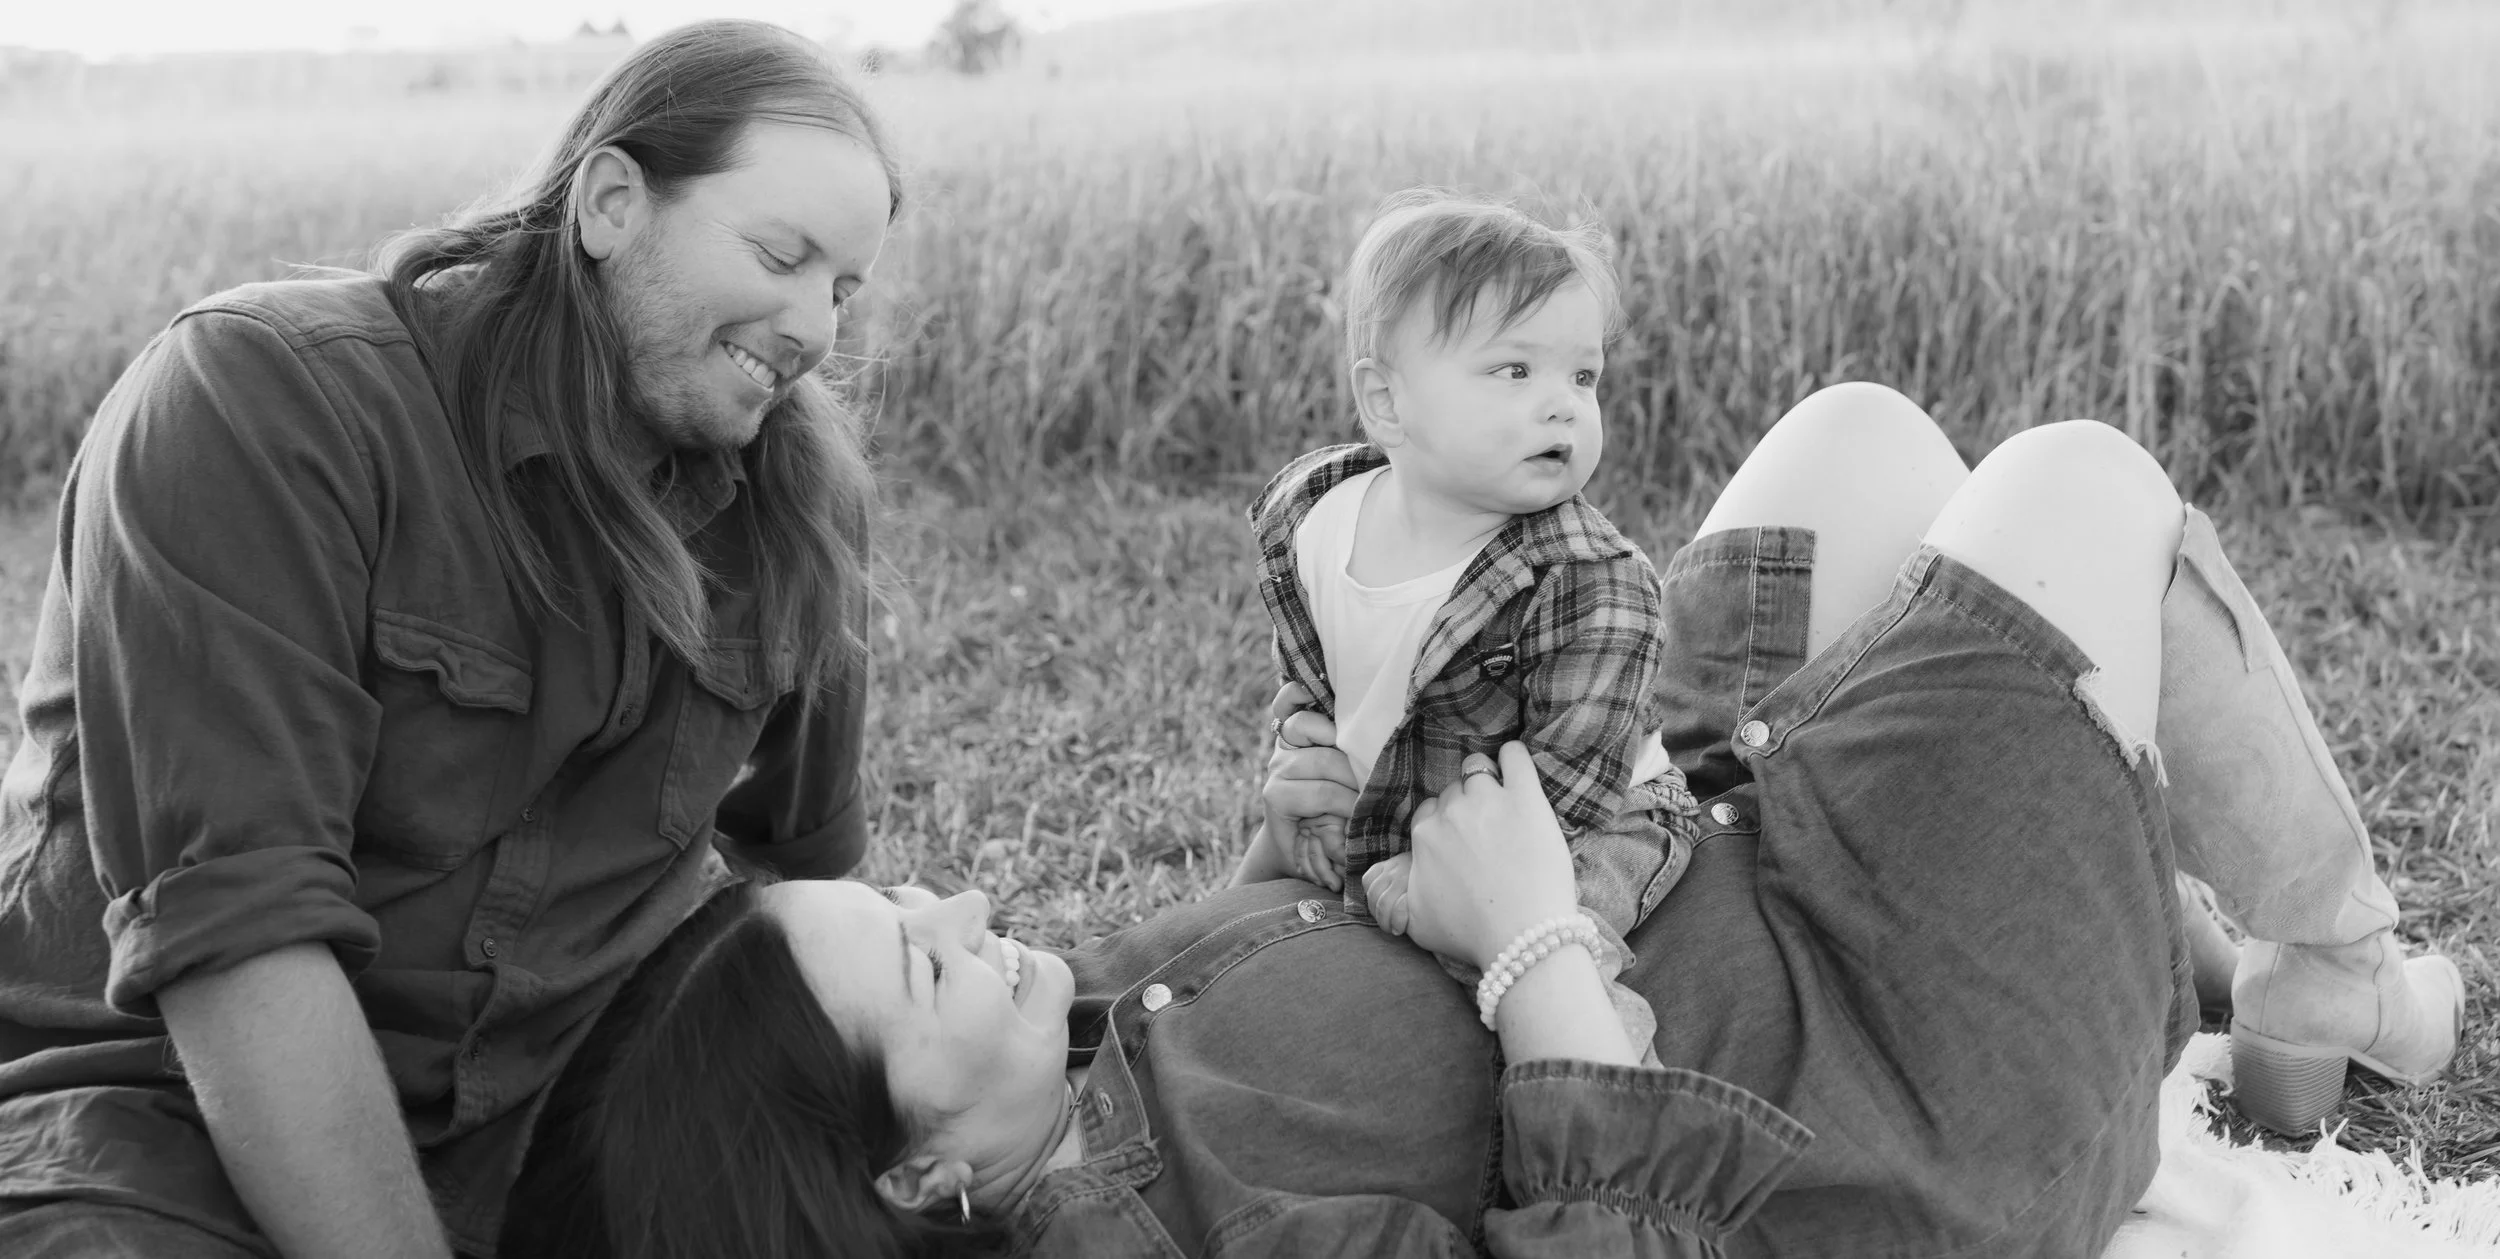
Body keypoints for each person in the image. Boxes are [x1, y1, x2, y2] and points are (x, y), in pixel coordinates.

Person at [503, 384, 2465, 1258]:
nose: (962, 890)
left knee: (1853, 445)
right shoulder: (1171, 1224)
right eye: (915, 956)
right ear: (907, 1178)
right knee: (2070, 489)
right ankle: (2325, 976)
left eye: (897, 890)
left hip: (1681, 856)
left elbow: (1319, 944)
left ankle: (2136, 913)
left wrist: (1321, 795)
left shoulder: (1078, 1018)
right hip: (1879, 1111)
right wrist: (1527, 946)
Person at [0, 21, 902, 1258]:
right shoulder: (267, 400)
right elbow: (235, 934)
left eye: (842, 287)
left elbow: (805, 893)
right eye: (779, 253)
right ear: (611, 201)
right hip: (155, 1131)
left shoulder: (795, 507)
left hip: (555, 1144)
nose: (814, 331)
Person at [1235, 191, 1697, 1059]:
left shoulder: (1589, 581)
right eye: (1514, 370)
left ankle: (1609, 1070)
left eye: (1583, 376)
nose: (1563, 404)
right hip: (1412, 794)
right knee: (1312, 931)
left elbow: (1570, 787)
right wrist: (1325, 762)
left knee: (1552, 934)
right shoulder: (1314, 516)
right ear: (1386, 402)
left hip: (1591, 813)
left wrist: (1443, 885)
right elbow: (1320, 675)